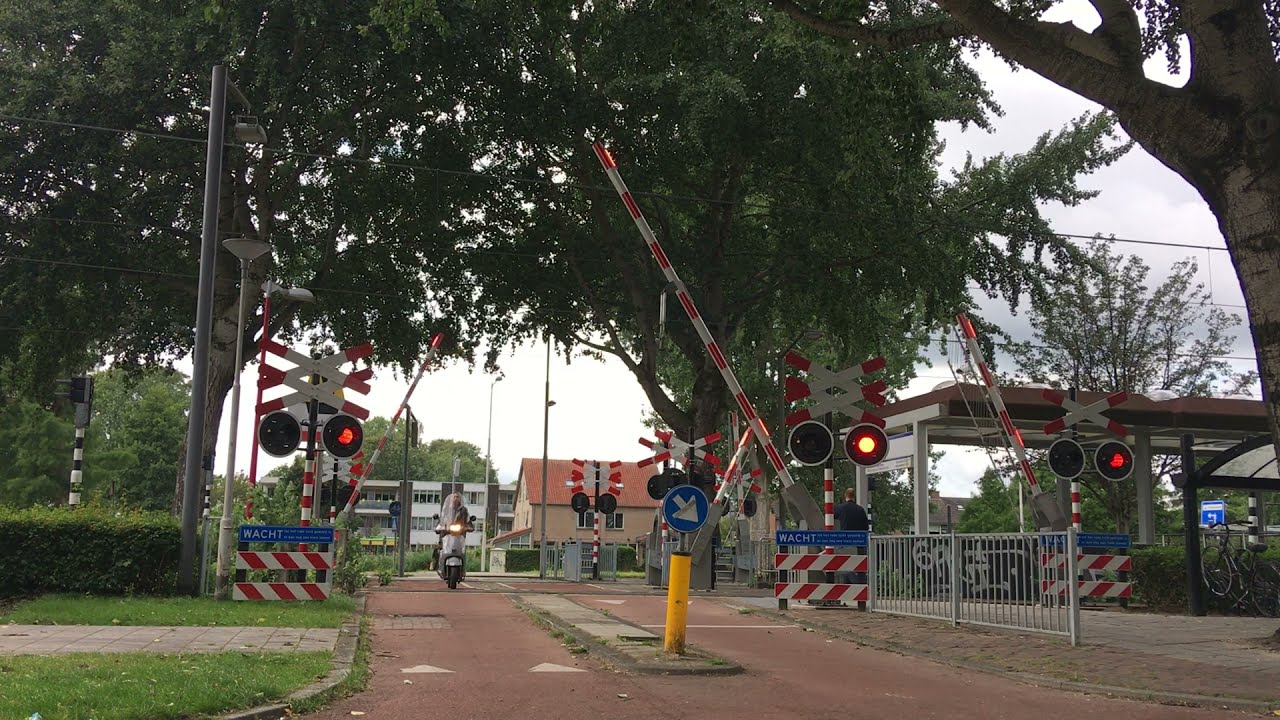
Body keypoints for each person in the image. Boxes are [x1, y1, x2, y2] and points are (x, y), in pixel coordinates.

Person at [832, 488, 869, 584]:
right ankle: (860, 586)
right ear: (854, 496)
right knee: (860, 566)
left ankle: (848, 587)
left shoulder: (839, 508)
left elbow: (831, 521)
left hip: (845, 541)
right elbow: (866, 527)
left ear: (845, 495)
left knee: (845, 565)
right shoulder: (860, 509)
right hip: (859, 542)